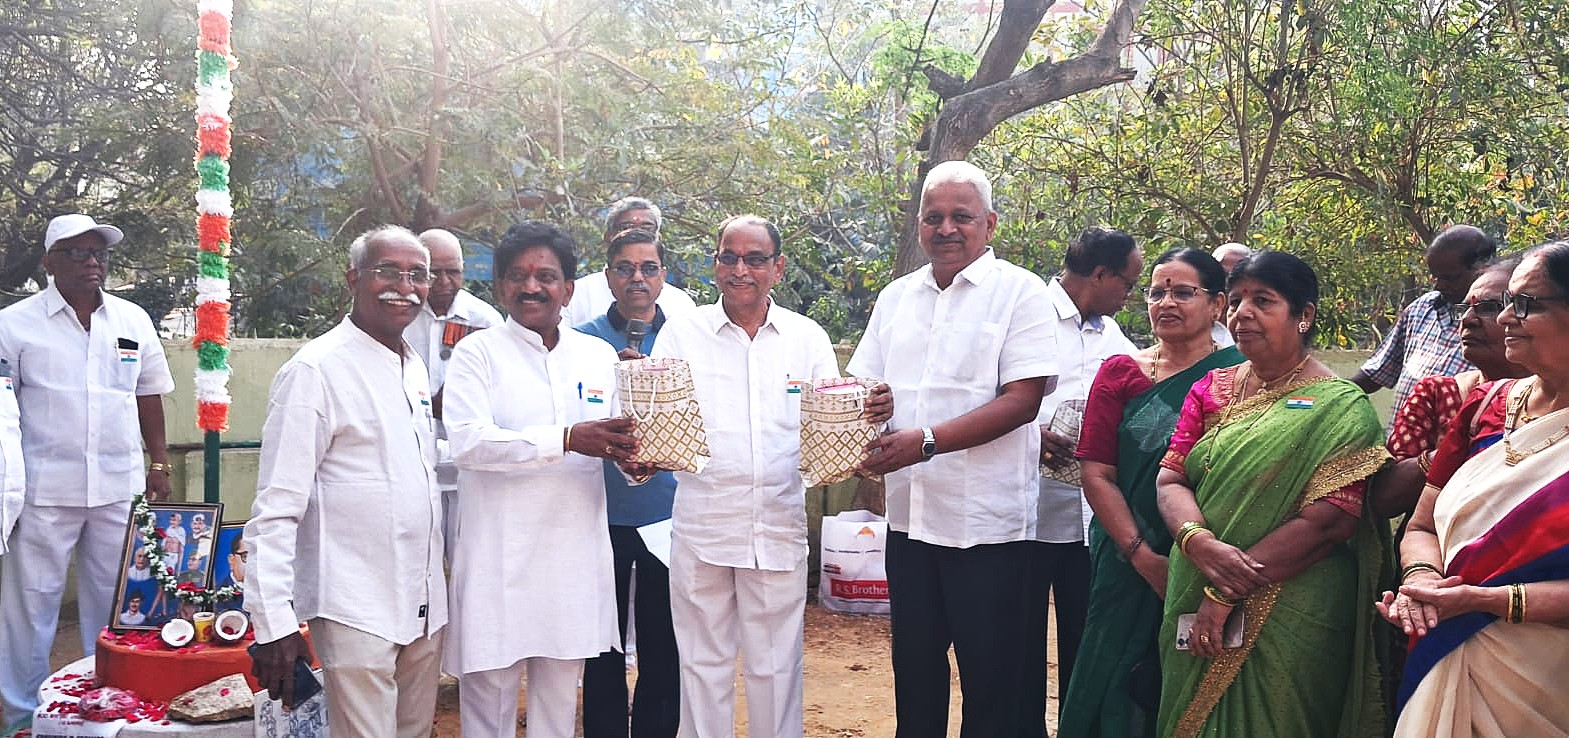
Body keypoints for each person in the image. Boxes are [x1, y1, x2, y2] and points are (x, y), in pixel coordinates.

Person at [850, 160, 1057, 738]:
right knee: (915, 673)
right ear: (919, 224)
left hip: (988, 527)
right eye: (933, 217)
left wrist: (926, 441)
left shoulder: (1020, 293)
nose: (945, 228)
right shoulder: (897, 297)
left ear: (989, 223)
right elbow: (866, 385)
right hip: (911, 522)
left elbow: (1022, 401)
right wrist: (869, 408)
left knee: (992, 684)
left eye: (961, 217)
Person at [651, 214, 878, 738]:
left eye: (755, 259)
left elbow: (831, 424)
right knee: (702, 666)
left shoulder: (807, 338)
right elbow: (658, 423)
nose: (740, 270)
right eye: (729, 257)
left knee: (776, 668)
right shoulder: (682, 335)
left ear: (777, 267)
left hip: (776, 526)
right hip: (703, 527)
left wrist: (868, 419)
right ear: (715, 265)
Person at [1153, 251, 1390, 738]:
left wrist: (1225, 591)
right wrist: (1198, 541)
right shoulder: (1211, 388)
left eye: (1263, 301)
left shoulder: (1342, 406)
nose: (1243, 313)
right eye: (1237, 300)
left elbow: (1329, 521)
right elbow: (1171, 478)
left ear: (1304, 315)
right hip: (1195, 575)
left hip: (1291, 604)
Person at [245, 225, 447, 736]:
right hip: (354, 602)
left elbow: (417, 467)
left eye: (417, 275)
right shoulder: (315, 371)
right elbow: (276, 507)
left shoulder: (413, 366)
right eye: (388, 271)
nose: (405, 286)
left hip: (423, 601)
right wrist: (273, 623)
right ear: (353, 279)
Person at [442, 221, 638, 738]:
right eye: (518, 276)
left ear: (568, 289)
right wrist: (566, 439)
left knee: (558, 708)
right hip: (497, 560)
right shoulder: (476, 354)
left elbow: (618, 442)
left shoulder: (597, 356)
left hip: (572, 562)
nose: (531, 287)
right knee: (488, 709)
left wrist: (639, 459)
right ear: (500, 286)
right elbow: (468, 443)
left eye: (546, 276)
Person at [1377, 242, 1569, 736]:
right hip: (1446, 647)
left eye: (1525, 304)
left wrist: (1485, 601)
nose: (1505, 317)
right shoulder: (1486, 405)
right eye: (1506, 302)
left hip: (1548, 680)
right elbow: (1421, 525)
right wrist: (1423, 581)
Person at [1058, 248, 1243, 738]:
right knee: (1112, 677)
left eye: (1183, 292)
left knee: (1199, 676)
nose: (1166, 303)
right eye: (1156, 292)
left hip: (1211, 555)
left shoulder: (1242, 377)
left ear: (1218, 304)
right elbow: (1097, 473)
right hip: (1127, 554)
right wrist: (1143, 556)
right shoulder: (1121, 372)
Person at [0, 213, 175, 732]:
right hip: (43, 489)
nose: (91, 261)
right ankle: (23, 716)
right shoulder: (14, 324)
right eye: (77, 253)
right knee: (30, 607)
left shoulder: (132, 320)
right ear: (49, 262)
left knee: (116, 605)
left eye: (99, 252)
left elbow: (149, 393)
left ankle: (111, 709)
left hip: (118, 487)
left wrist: (159, 461)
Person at [1021, 226, 1140, 736]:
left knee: (1085, 637)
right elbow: (982, 390)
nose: (1130, 295)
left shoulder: (1112, 337)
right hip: (1026, 515)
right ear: (1100, 275)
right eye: (1128, 283)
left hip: (1088, 521)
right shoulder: (1027, 313)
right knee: (1019, 642)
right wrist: (1030, 433)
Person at [575, 227, 681, 738]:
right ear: (608, 276)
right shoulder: (582, 341)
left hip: (668, 512)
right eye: (625, 268)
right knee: (602, 642)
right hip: (598, 511)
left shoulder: (686, 338)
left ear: (664, 276)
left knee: (665, 638)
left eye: (648, 268)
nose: (637, 278)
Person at [1372, 258, 1528, 520]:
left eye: (1489, 307)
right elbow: (1384, 499)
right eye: (1463, 309)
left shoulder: (1556, 403)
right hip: (1434, 542)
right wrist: (1454, 447)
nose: (1467, 320)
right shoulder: (1437, 394)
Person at [400, 228, 502, 564]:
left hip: (467, 470)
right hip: (412, 466)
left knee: (469, 564)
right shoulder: (400, 315)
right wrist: (431, 405)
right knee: (416, 566)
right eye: (435, 272)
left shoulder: (485, 320)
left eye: (453, 272)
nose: (444, 282)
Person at [1352, 225, 1498, 422]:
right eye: (1436, 277)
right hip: (1400, 439)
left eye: (1449, 278)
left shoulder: (1503, 322)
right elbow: (1376, 373)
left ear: (1484, 269)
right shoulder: (1421, 309)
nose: (1439, 285)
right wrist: (1328, 394)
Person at [561, 197, 697, 326]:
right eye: (626, 227)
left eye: (646, 228)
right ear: (608, 237)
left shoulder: (679, 303)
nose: (636, 234)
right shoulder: (577, 295)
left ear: (658, 238)